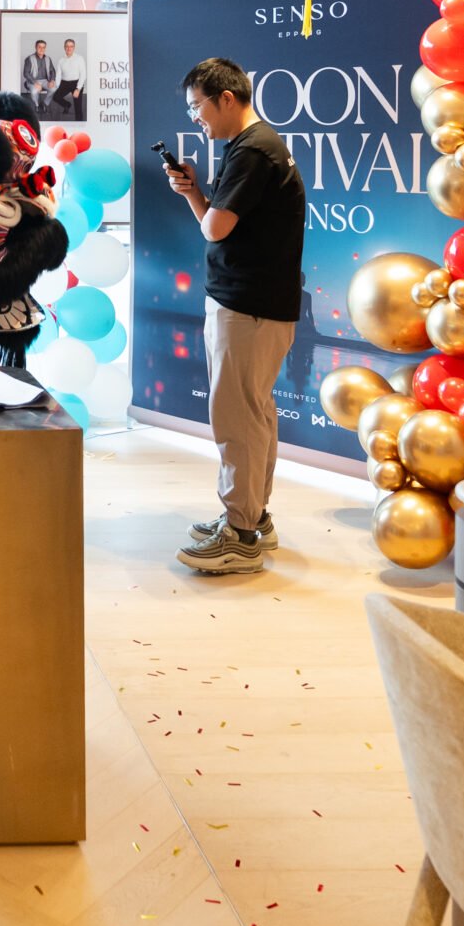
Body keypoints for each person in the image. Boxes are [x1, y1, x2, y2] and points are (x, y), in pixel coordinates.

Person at [161, 57, 305, 574]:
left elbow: (214, 230)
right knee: (254, 411)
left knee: (237, 416)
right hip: (255, 302)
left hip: (248, 305)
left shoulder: (253, 152)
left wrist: (199, 198)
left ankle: (240, 533)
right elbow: (219, 225)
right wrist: (194, 192)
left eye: (197, 106)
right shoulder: (252, 147)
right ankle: (252, 517)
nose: (196, 117)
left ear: (226, 98)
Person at [19, 38, 57, 113]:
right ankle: (36, 105)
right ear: (35, 47)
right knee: (33, 92)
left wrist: (52, 80)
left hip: (45, 80)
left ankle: (45, 103)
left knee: (54, 88)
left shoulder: (48, 58)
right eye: (39, 47)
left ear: (45, 48)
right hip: (33, 80)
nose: (41, 49)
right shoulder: (29, 59)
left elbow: (52, 71)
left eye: (43, 47)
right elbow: (26, 73)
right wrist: (35, 83)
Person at [54, 35, 85, 119]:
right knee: (55, 97)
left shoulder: (79, 58)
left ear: (74, 47)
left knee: (78, 108)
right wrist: (56, 86)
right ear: (64, 47)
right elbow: (58, 75)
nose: (69, 48)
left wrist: (78, 89)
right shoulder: (61, 60)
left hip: (76, 83)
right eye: (67, 46)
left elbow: (83, 74)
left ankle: (79, 126)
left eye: (71, 46)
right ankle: (67, 104)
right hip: (65, 83)